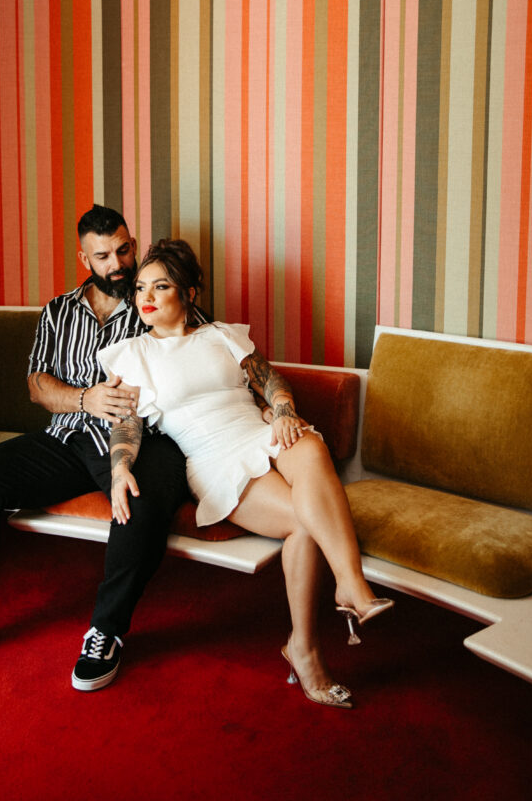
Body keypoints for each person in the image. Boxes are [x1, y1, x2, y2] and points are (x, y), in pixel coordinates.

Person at [0, 205, 208, 691]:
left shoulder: (154, 293)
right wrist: (86, 398)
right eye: (103, 255)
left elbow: (206, 347)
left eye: (124, 249)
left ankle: (105, 631)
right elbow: (37, 386)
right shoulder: (59, 311)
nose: (119, 264)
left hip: (140, 440)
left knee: (139, 501)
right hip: (67, 438)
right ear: (84, 258)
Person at [98, 238, 394, 709]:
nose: (145, 297)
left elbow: (269, 379)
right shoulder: (133, 354)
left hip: (258, 431)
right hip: (214, 458)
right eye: (140, 288)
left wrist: (280, 409)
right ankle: (306, 647)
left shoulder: (221, 335)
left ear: (189, 293)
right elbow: (126, 423)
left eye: (161, 286)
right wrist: (119, 470)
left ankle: (349, 583)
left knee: (309, 442)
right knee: (302, 523)